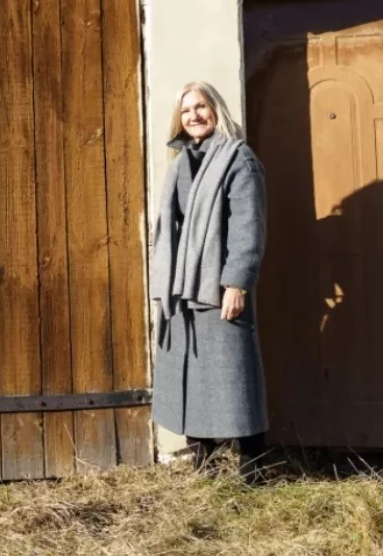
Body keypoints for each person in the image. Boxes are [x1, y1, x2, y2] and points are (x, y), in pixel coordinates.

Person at [150, 81, 269, 481]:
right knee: (193, 376)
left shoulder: (239, 160)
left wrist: (237, 282)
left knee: (235, 378)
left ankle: (253, 471)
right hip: (182, 287)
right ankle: (206, 469)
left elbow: (247, 226)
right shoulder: (182, 160)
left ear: (216, 109)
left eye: (201, 107)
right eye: (186, 111)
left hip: (217, 285)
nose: (194, 116)